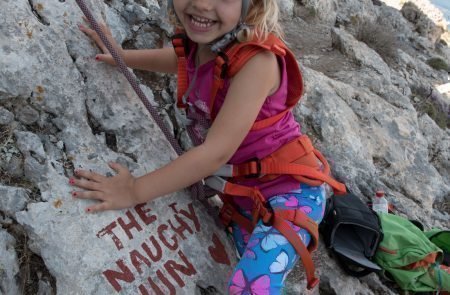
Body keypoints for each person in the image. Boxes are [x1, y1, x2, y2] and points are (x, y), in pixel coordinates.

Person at [73, 0, 345, 293]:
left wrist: (133, 191)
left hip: (291, 192)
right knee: (247, 264)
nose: (202, 4)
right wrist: (122, 56)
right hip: (246, 194)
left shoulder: (258, 63)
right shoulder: (207, 45)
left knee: (248, 287)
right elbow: (182, 63)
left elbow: (215, 154)